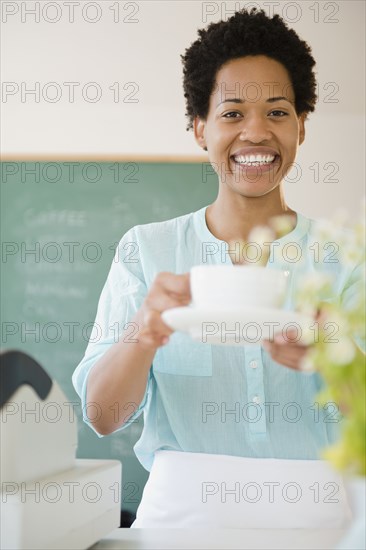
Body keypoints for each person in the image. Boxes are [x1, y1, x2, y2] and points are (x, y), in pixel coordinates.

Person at [72, 8, 357, 528]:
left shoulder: (349, 255)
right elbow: (102, 417)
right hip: (179, 522)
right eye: (231, 113)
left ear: (301, 127)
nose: (256, 132)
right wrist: (146, 330)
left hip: (324, 522)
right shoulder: (146, 251)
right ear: (200, 129)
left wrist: (335, 360)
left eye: (277, 112)